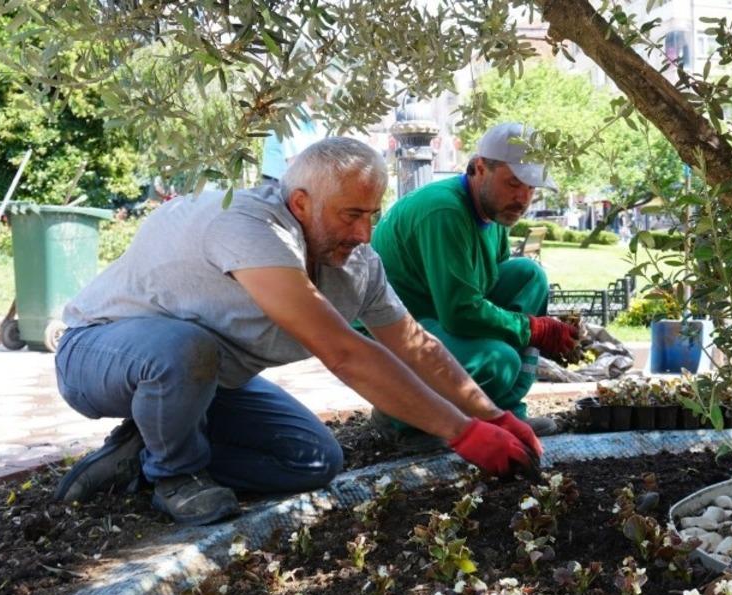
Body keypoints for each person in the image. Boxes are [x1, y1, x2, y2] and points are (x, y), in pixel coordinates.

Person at [52, 137, 542, 526]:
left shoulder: (357, 264)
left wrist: (493, 415)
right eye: (351, 214)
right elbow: (344, 353)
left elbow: (415, 345)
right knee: (184, 348)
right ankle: (174, 475)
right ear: (302, 204)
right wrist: (461, 433)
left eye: (372, 215)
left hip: (205, 379)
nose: (364, 234)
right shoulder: (248, 226)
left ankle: (141, 453)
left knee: (313, 461)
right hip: (99, 352)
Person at [371, 122, 577, 444]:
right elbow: (459, 312)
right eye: (513, 183)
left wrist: (537, 326)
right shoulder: (443, 210)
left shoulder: (495, 212)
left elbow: (486, 287)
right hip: (392, 332)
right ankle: (402, 419)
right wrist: (531, 328)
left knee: (529, 275)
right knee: (500, 361)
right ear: (480, 168)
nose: (523, 198)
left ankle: (505, 412)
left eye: (531, 189)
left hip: (434, 318)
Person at [260, 102, 325, 184]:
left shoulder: (313, 120)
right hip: (280, 182)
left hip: (292, 179)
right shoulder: (291, 115)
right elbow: (293, 162)